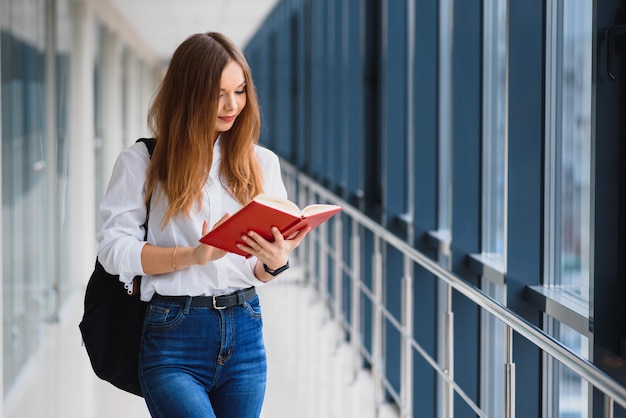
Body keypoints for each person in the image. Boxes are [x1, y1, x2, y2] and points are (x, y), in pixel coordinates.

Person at [96, 32, 310, 418]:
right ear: (188, 93)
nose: (233, 105)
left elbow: (258, 269)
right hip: (172, 332)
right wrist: (193, 255)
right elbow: (113, 251)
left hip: (245, 330)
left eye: (240, 91)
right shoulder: (143, 162)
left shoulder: (262, 164)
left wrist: (274, 260)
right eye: (218, 93)